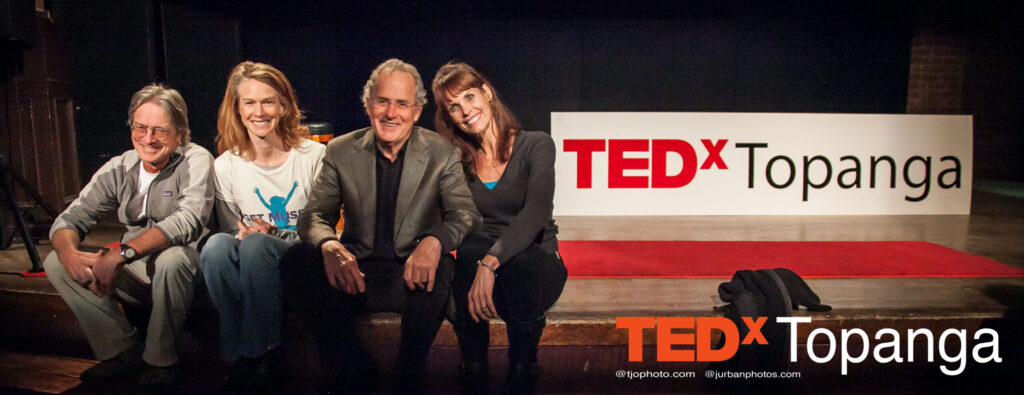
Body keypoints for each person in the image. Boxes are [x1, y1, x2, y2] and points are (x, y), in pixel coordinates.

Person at [296, 58, 481, 392]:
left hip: (411, 274)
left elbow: (464, 214)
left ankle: (405, 379)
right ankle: (357, 372)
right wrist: (329, 245)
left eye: (401, 104)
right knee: (297, 260)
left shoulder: (442, 152)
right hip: (354, 271)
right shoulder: (340, 150)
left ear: (417, 109)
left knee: (441, 267)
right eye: (382, 101)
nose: (391, 113)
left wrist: (434, 242)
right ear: (368, 105)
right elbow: (313, 216)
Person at [43, 84, 214, 390]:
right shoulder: (120, 167)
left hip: (189, 270)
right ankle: (123, 352)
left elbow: (189, 220)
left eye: (160, 130)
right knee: (56, 260)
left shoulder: (196, 158)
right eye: (141, 127)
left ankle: (161, 362)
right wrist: (69, 253)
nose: (149, 139)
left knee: (173, 259)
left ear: (179, 132)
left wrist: (121, 254)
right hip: (138, 271)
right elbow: (69, 219)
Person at [431, 61, 568, 394]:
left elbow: (535, 213)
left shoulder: (536, 144)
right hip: (479, 279)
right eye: (454, 106)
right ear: (449, 117)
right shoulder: (455, 160)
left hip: (533, 269)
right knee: (466, 251)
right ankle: (474, 366)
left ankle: (523, 367)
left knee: (519, 261)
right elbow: (451, 221)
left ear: (487, 93)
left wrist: (490, 263)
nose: (466, 110)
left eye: (470, 96)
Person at [199, 61, 325, 390]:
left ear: (284, 105)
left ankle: (259, 354)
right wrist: (244, 234)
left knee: (255, 245)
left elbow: (321, 231)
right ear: (237, 109)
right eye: (249, 102)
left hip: (298, 257)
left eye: (268, 101)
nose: (259, 111)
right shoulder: (226, 165)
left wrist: (270, 233)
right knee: (214, 247)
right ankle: (238, 351)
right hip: (252, 254)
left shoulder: (313, 156)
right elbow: (231, 231)